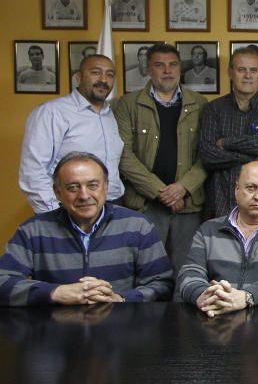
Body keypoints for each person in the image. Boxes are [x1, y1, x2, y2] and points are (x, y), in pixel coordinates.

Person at [0, 153, 173, 306]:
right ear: (57, 192)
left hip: (120, 332)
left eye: (92, 185)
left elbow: (162, 284)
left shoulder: (137, 226)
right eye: (73, 187)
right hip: (55, 333)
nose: (84, 195)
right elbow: (3, 281)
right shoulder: (33, 230)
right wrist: (55, 292)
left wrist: (121, 299)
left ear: (106, 188)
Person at [113, 43, 209, 271]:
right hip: (145, 204)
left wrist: (183, 188)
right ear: (148, 69)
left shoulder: (200, 104)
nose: (167, 71)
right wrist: (161, 192)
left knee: (186, 270)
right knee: (145, 269)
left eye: (173, 65)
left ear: (180, 68)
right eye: (159, 65)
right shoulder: (128, 104)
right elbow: (123, 155)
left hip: (187, 205)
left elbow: (208, 154)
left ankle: (180, 310)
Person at [176, 161, 258, 316]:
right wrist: (204, 296)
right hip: (215, 318)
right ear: (237, 190)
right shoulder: (208, 230)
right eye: (251, 188)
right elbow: (189, 274)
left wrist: (246, 297)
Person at [19, 54, 124, 213]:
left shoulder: (110, 115)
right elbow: (33, 172)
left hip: (112, 207)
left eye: (110, 74)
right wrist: (56, 214)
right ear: (78, 77)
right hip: (71, 208)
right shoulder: (52, 113)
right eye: (96, 72)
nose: (103, 79)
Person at [199, 47, 258, 218]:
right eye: (241, 70)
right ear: (230, 72)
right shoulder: (213, 109)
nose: (248, 75)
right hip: (221, 203)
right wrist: (253, 155)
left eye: (253, 70)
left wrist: (226, 143)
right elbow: (208, 156)